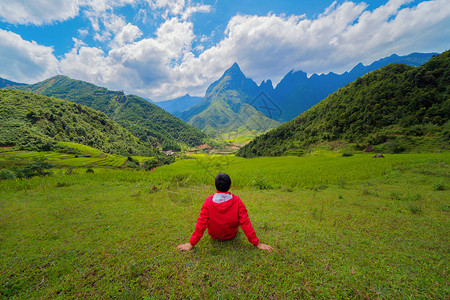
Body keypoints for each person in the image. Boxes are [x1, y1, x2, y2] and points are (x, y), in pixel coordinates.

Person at [177, 173, 273, 252]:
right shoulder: (237, 201)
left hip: (214, 235)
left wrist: (191, 243)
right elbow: (245, 223)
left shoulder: (208, 201)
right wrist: (257, 243)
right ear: (230, 186)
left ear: (216, 186)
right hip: (231, 234)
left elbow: (201, 223)